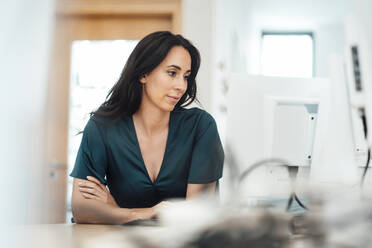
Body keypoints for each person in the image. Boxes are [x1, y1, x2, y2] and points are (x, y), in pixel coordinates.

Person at [70, 31, 224, 224]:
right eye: (172, 73)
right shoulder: (103, 127)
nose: (181, 86)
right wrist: (143, 213)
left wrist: (114, 208)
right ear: (143, 73)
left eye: (186, 76)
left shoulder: (201, 126)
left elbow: (195, 217)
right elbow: (82, 209)